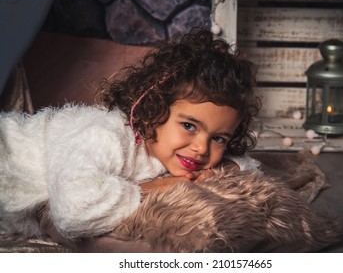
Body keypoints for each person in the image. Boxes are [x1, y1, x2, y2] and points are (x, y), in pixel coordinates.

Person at [0, 28, 261, 243]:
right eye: (190, 126)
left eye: (219, 138)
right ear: (154, 108)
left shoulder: (174, 150)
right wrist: (149, 190)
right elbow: (74, 210)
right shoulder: (105, 134)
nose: (201, 148)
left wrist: (219, 169)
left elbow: (248, 166)